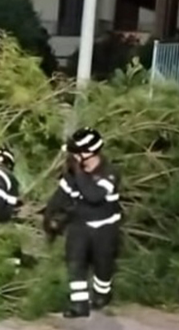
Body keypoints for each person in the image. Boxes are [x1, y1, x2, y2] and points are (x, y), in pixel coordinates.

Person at [43, 127, 122, 318]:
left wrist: (78, 172)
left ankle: (102, 294)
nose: (73, 157)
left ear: (89, 152)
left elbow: (94, 195)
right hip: (79, 225)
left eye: (76, 153)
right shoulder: (72, 175)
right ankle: (79, 305)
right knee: (75, 262)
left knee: (103, 265)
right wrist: (49, 218)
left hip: (105, 227)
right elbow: (59, 197)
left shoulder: (109, 173)